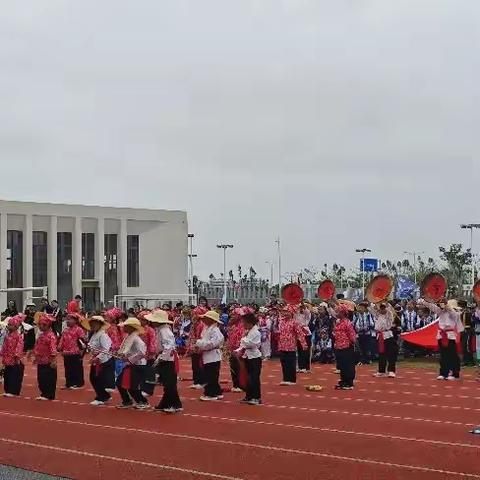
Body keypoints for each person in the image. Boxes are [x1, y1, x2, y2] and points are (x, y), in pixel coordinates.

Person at [418, 298, 464, 380]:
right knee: (443, 355)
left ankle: (455, 374)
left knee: (452, 355)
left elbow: (453, 314)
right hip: (441, 335)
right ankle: (443, 373)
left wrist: (447, 306)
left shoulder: (456, 313)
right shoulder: (441, 312)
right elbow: (432, 307)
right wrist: (424, 301)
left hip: (450, 336)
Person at [147, 310, 183, 413]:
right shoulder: (161, 329)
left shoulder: (164, 331)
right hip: (165, 358)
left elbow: (169, 347)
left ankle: (174, 404)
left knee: (169, 384)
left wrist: (161, 359)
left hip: (168, 359)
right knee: (167, 383)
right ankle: (167, 403)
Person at [115, 317, 149, 410]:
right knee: (119, 383)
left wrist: (129, 359)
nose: (123, 327)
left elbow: (142, 352)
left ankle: (143, 402)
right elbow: (123, 350)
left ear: (131, 327)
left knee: (132, 386)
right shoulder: (128, 337)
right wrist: (118, 354)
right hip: (130, 364)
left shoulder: (136, 339)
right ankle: (127, 401)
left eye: (126, 326)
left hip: (138, 365)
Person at [84, 315, 115, 406]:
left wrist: (97, 358)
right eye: (91, 323)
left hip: (103, 361)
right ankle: (104, 396)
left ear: (100, 324)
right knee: (93, 378)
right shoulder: (94, 334)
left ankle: (102, 397)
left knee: (98, 379)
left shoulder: (103, 335)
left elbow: (106, 349)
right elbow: (91, 346)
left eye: (95, 323)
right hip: (96, 360)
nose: (92, 325)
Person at [196, 310, 225, 401]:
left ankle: (211, 393)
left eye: (206, 318)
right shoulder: (208, 328)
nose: (203, 320)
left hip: (213, 355)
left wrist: (198, 343)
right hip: (208, 355)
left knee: (211, 375)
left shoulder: (215, 330)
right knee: (211, 374)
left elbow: (211, 344)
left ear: (211, 319)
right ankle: (216, 391)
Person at [235, 312, 262, 405]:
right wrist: (237, 350)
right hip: (247, 356)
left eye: (244, 322)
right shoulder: (248, 331)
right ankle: (249, 396)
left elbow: (250, 344)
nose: (242, 325)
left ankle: (256, 397)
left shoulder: (256, 332)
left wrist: (243, 339)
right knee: (247, 377)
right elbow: (243, 345)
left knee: (254, 378)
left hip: (254, 357)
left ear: (249, 322)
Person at [277, 305, 307, 386]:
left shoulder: (294, 322)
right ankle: (285, 378)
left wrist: (303, 344)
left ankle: (292, 379)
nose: (285, 313)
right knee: (283, 363)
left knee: (290, 363)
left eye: (288, 312)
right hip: (282, 345)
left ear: (292, 313)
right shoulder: (281, 321)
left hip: (290, 346)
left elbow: (300, 333)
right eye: (284, 312)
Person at [31, 314, 58, 401]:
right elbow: (37, 347)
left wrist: (53, 360)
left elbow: (53, 349)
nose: (41, 326)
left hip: (48, 362)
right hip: (41, 361)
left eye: (44, 325)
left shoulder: (51, 336)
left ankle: (49, 394)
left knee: (48, 379)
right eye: (40, 324)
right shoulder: (41, 335)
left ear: (49, 325)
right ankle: (44, 393)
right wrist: (34, 355)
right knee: (41, 378)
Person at [369, 302, 398, 378]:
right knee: (381, 354)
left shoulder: (389, 315)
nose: (382, 309)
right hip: (380, 336)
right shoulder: (377, 314)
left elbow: (390, 309)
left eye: (383, 308)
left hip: (388, 335)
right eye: (381, 308)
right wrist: (376, 302)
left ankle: (391, 371)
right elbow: (371, 308)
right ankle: (381, 371)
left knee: (391, 354)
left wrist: (385, 301)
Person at [58, 313, 86, 389]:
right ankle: (69, 383)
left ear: (76, 321)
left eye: (70, 319)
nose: (68, 321)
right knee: (68, 368)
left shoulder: (79, 329)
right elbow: (62, 339)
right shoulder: (65, 330)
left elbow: (82, 341)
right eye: (67, 319)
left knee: (76, 368)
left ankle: (78, 383)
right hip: (66, 353)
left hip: (76, 352)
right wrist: (60, 347)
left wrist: (82, 352)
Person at [333, 304, 357, 390]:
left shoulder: (347, 323)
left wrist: (352, 343)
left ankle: (349, 382)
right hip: (339, 346)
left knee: (348, 364)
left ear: (342, 312)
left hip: (347, 346)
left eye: (338, 311)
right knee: (342, 365)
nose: (336, 313)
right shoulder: (338, 322)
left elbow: (352, 335)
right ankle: (343, 381)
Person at [0, 314, 25, 397]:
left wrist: (17, 356)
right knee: (7, 375)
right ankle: (8, 390)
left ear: (16, 326)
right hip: (7, 360)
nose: (8, 326)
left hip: (15, 360)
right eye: (9, 324)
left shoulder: (18, 336)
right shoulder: (7, 336)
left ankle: (14, 391)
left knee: (14, 376)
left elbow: (19, 346)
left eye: (11, 325)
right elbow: (4, 346)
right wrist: (2, 353)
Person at [186, 306, 207, 389]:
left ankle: (201, 382)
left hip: (199, 348)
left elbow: (201, 337)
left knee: (199, 365)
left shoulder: (202, 325)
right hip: (194, 347)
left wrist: (197, 346)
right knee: (195, 365)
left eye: (194, 314)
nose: (193, 315)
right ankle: (196, 381)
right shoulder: (195, 324)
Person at [138, 310, 157, 397]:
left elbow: (152, 342)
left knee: (149, 372)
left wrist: (151, 352)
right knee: (141, 372)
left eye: (143, 320)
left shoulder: (150, 330)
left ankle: (149, 390)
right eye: (140, 319)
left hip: (149, 355)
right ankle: (142, 388)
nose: (141, 321)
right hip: (140, 354)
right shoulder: (138, 329)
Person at [227, 307, 246, 393]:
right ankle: (235, 384)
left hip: (240, 352)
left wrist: (239, 350)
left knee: (240, 368)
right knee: (233, 367)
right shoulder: (232, 325)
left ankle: (241, 385)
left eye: (234, 314)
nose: (231, 315)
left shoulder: (243, 326)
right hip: (232, 350)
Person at [295, 303, 312, 374]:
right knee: (299, 350)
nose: (300, 309)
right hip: (298, 333)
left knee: (305, 350)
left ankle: (306, 367)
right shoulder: (296, 314)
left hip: (306, 333)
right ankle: (300, 366)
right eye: (299, 308)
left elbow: (307, 312)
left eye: (302, 307)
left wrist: (302, 303)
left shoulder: (307, 315)